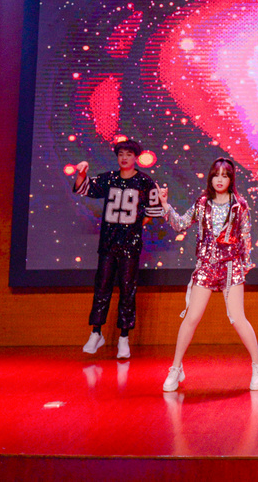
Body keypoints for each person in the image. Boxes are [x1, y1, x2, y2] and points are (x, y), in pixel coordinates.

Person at [160, 158, 258, 393]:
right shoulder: (202, 203)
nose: (220, 179)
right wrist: (166, 206)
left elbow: (246, 237)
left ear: (231, 179)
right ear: (210, 177)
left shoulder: (239, 206)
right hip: (206, 265)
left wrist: (243, 267)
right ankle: (175, 368)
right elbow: (181, 224)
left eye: (225, 176)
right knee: (192, 317)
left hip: (231, 266)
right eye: (216, 175)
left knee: (237, 318)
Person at [74, 139, 164, 359]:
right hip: (108, 244)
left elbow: (154, 211)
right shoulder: (109, 178)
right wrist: (82, 173)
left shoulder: (144, 182)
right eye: (121, 154)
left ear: (136, 157)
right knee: (102, 287)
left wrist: (135, 227)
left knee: (127, 290)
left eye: (129, 154)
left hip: (130, 246)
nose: (124, 158)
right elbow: (83, 189)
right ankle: (96, 332)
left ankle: (124, 337)